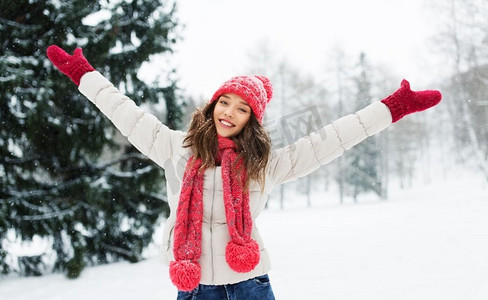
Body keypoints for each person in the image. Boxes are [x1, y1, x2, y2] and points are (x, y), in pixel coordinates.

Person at [46, 45, 441, 300]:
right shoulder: (174, 149)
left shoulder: (263, 164)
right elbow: (125, 113)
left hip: (250, 284)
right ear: (212, 104)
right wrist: (84, 74)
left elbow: (329, 139)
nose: (228, 113)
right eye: (225, 101)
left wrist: (391, 107)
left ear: (252, 119)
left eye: (241, 108)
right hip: (195, 286)